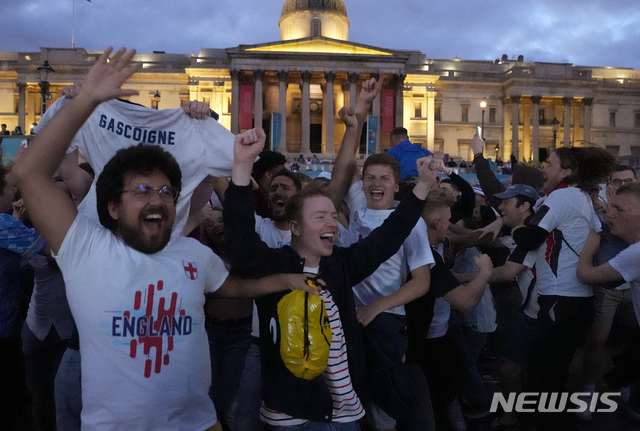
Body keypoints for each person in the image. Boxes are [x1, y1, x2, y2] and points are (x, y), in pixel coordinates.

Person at [12, 46, 317, 430]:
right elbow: (29, 174)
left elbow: (233, 288)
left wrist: (287, 281)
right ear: (111, 207)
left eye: (167, 191)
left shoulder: (191, 252)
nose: (157, 199)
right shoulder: (83, 248)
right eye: (141, 190)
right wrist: (86, 100)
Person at [223, 118, 438, 429]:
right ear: (295, 227)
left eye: (333, 216)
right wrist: (242, 166)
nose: (332, 224)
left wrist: (423, 187)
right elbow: (240, 240)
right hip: (291, 415)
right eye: (320, 216)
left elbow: (388, 237)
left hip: (345, 413)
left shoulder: (342, 265)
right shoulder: (274, 266)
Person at [508, 146, 616, 430]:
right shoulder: (581, 198)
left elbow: (530, 237)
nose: (543, 168)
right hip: (575, 301)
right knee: (554, 377)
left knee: (543, 379)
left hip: (560, 299)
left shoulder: (562, 196)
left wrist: (516, 228)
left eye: (549, 163)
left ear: (566, 171)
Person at [577, 182, 640, 420]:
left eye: (621, 210)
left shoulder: (635, 254)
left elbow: (585, 275)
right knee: (597, 339)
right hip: (611, 292)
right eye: (610, 207)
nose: (611, 214)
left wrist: (587, 251)